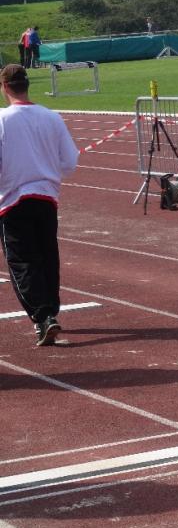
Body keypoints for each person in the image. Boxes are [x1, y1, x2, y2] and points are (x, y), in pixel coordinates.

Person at [0, 65, 80, 346]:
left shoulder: (2, 120)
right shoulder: (51, 117)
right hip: (46, 197)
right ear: (27, 85)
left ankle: (43, 316)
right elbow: (69, 162)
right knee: (47, 255)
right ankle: (50, 310)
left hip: (12, 200)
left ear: (5, 87)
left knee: (22, 260)